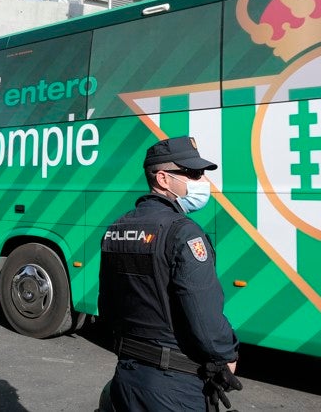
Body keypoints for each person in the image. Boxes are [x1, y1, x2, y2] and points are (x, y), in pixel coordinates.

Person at [98, 136, 241, 412]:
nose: (202, 181)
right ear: (163, 179)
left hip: (126, 378)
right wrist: (227, 354)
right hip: (174, 386)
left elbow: (107, 307)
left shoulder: (115, 229)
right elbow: (204, 317)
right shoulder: (183, 233)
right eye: (192, 173)